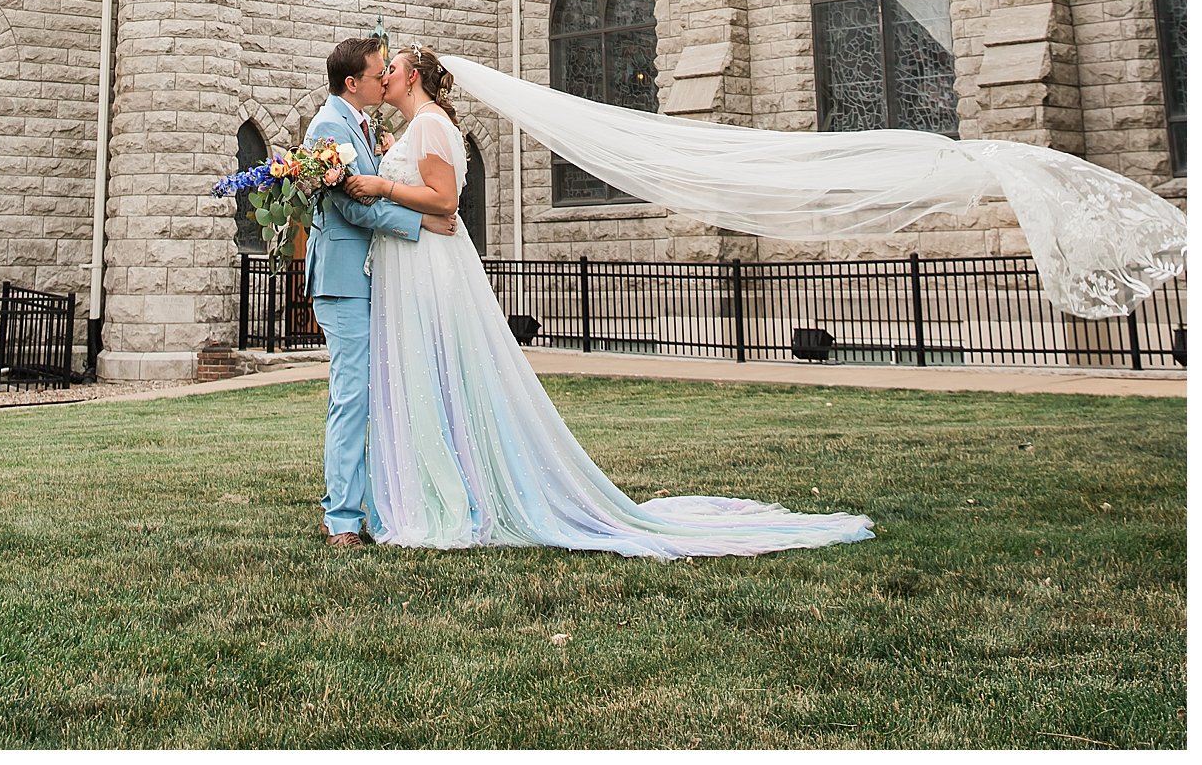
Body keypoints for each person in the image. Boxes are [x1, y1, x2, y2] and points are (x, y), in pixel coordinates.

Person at [343, 45, 874, 557]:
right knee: (424, 373)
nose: (383, 74)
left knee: (437, 369)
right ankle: (431, 485)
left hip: (431, 269)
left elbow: (446, 203)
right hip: (412, 263)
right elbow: (435, 208)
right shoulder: (414, 129)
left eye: (391, 67)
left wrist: (380, 186)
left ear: (412, 77)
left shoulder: (433, 124)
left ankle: (451, 496)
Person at [302, 35, 457, 547]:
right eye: (377, 73)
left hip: (368, 276)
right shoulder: (329, 126)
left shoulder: (362, 127)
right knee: (353, 395)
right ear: (354, 83)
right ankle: (343, 519)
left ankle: (370, 505)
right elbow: (352, 207)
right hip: (344, 281)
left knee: (374, 390)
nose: (383, 78)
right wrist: (421, 221)